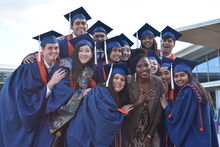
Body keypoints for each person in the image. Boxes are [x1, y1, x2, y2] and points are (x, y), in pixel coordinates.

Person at [0, 31, 66, 147]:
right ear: (42, 49)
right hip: (16, 107)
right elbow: (27, 100)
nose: (54, 51)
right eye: (50, 48)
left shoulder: (56, 66)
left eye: (56, 48)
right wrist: (51, 83)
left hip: (33, 106)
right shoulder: (29, 67)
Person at [33, 33, 97, 147]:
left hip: (76, 113)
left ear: (92, 54)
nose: (84, 54)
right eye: (80, 50)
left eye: (87, 51)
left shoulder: (89, 71)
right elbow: (60, 90)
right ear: (75, 52)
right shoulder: (65, 65)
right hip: (56, 115)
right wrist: (81, 94)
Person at [160, 57, 219, 147]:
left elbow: (178, 117)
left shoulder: (188, 91)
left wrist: (166, 107)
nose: (179, 79)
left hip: (193, 138)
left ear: (189, 75)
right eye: (176, 76)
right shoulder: (197, 87)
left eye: (182, 75)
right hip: (202, 137)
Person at [125, 54, 164, 147]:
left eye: (146, 65)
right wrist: (138, 103)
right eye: (139, 66)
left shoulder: (158, 82)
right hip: (130, 131)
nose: (144, 69)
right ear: (134, 68)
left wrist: (150, 135)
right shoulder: (128, 82)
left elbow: (158, 111)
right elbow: (124, 110)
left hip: (148, 130)